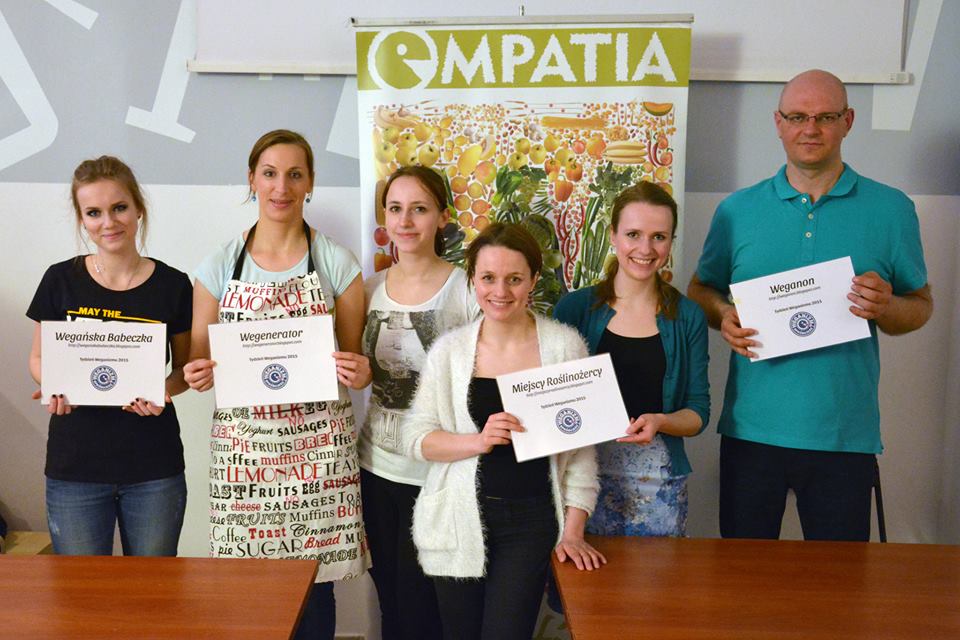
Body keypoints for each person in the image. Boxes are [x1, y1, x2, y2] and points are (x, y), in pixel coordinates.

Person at [687, 69, 933, 541]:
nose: (811, 128)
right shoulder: (737, 211)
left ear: (848, 121)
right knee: (744, 576)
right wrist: (723, 316)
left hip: (844, 436)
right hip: (751, 432)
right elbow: (700, 290)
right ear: (778, 122)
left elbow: (920, 306)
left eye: (826, 117)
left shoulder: (892, 209)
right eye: (798, 116)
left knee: (841, 581)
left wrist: (885, 306)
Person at [184, 130, 370, 640]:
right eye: (269, 174)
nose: (281, 187)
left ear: (310, 182)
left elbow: (356, 358)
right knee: (250, 593)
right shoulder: (219, 265)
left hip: (319, 451)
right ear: (252, 180)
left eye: (294, 175)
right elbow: (199, 360)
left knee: (317, 587)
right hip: (246, 456)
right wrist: (197, 373)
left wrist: (361, 371)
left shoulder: (337, 262)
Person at [402, 223, 604, 640]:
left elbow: (581, 452)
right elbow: (416, 438)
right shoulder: (449, 352)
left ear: (533, 280)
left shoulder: (565, 347)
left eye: (514, 279)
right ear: (473, 279)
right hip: (456, 519)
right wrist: (478, 441)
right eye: (488, 278)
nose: (500, 291)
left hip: (532, 522)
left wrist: (573, 531)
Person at [26, 155, 192, 556]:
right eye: (94, 212)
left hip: (154, 469)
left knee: (152, 587)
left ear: (138, 209)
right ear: (82, 219)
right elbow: (37, 359)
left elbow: (185, 370)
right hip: (75, 469)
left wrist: (163, 391)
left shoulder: (173, 285)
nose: (108, 222)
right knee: (82, 590)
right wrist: (53, 385)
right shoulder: (60, 279)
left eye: (119, 207)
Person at [359, 166, 479, 640]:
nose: (405, 221)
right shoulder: (367, 289)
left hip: (437, 476)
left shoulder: (467, 289)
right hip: (375, 467)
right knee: (390, 601)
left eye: (419, 209)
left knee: (425, 609)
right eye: (395, 209)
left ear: (442, 218)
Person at [554, 181, 709, 537]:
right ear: (613, 235)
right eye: (633, 234)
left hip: (659, 486)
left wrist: (661, 421)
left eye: (659, 237)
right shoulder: (574, 309)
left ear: (671, 242)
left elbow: (698, 412)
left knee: (658, 576)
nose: (645, 249)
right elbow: (554, 400)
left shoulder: (688, 316)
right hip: (580, 484)